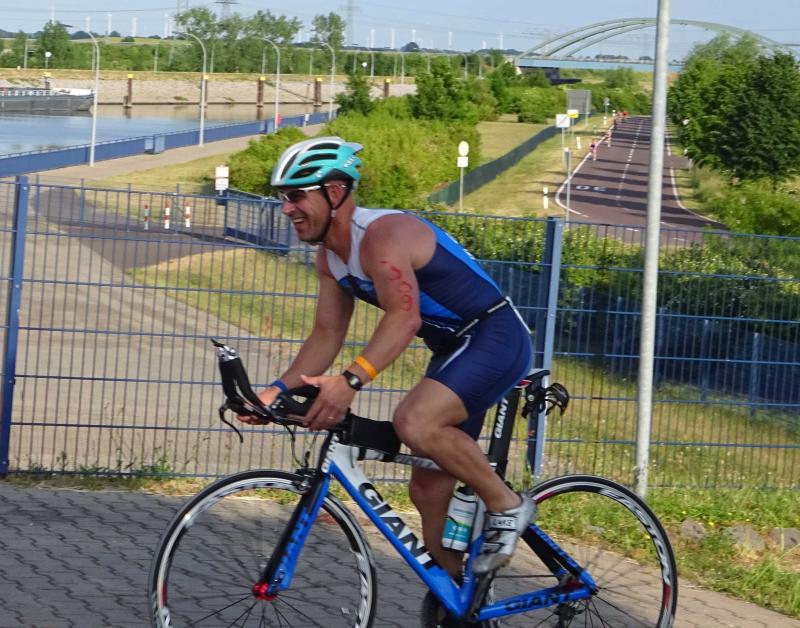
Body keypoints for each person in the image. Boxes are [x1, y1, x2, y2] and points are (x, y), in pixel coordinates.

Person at [242, 136, 534, 576]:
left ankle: (507, 504)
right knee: (429, 490)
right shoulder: (330, 258)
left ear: (334, 193)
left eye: (296, 196)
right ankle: (457, 598)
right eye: (282, 198)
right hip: (453, 350)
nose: (286, 209)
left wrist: (350, 381)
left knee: (414, 421)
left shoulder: (383, 236)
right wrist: (276, 391)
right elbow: (326, 334)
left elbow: (404, 318)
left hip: (496, 335)